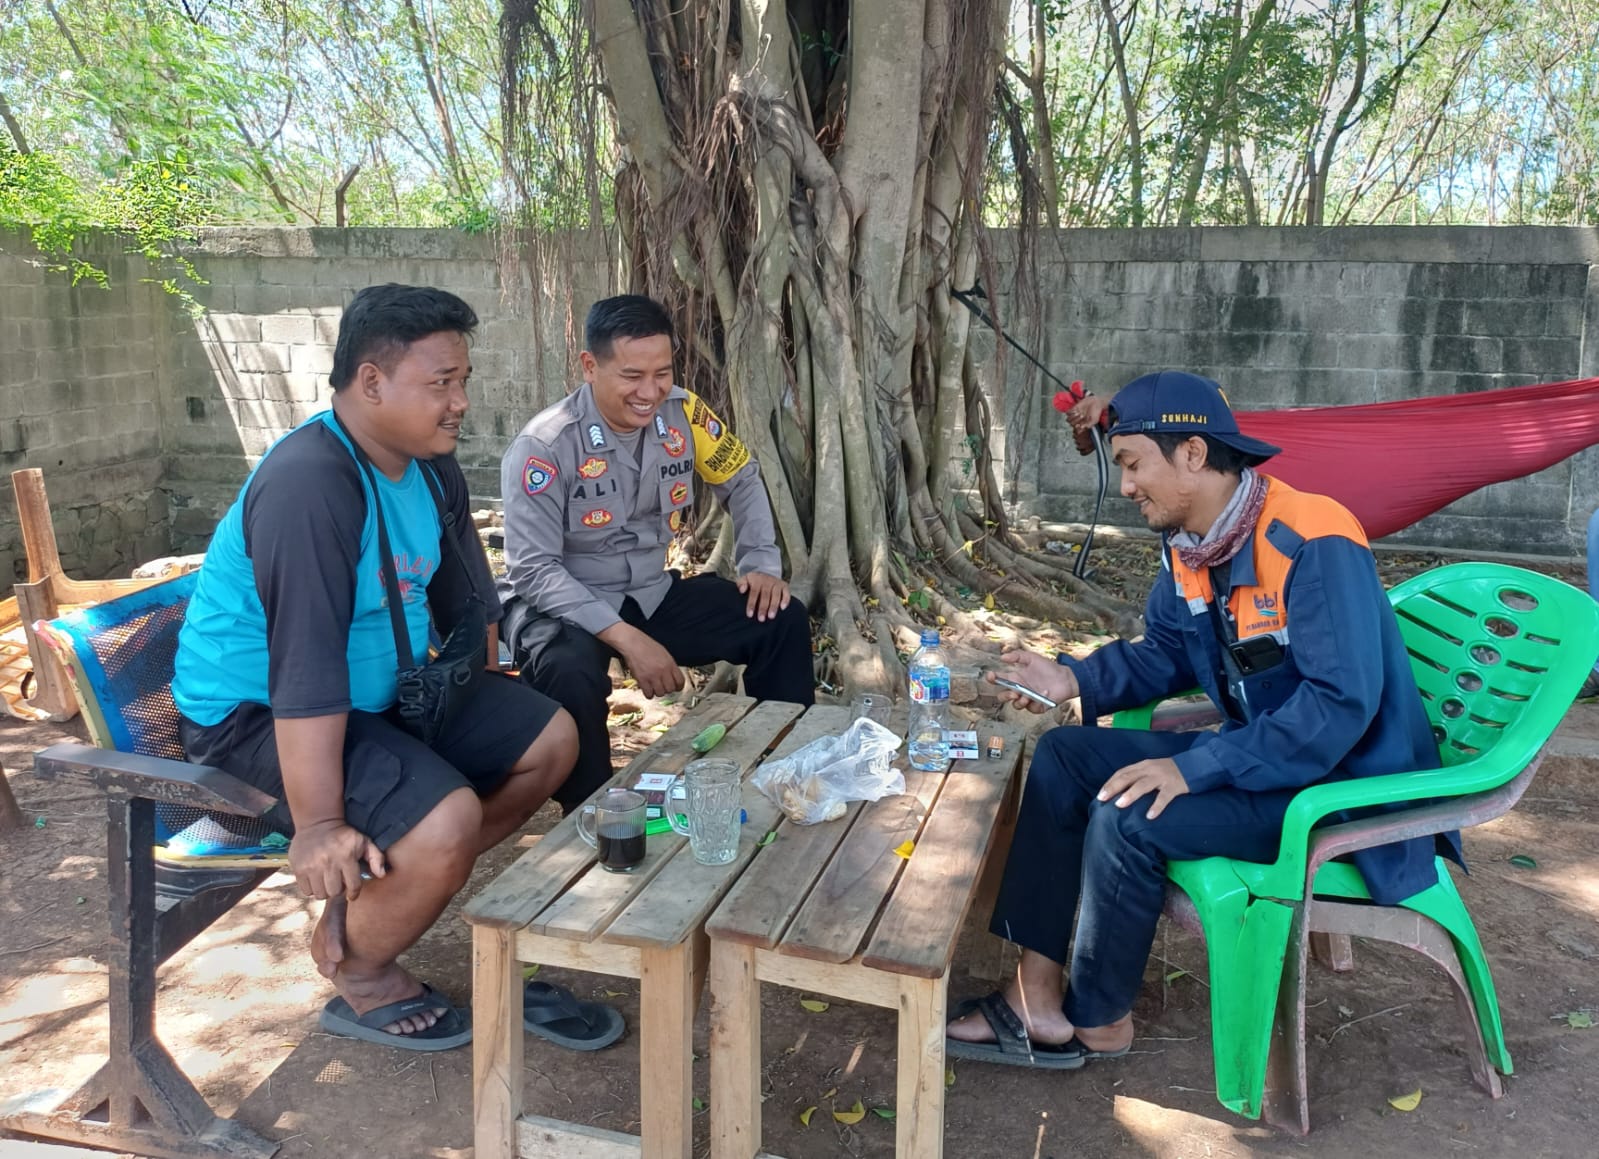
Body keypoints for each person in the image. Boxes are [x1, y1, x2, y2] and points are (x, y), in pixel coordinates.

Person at [947, 369, 1455, 1069]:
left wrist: (1197, 766)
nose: (1126, 486)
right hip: (1261, 760)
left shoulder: (1313, 537)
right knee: (1065, 754)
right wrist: (1072, 677)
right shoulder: (1193, 544)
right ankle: (1035, 991)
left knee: (1130, 812)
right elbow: (1166, 651)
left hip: (1338, 785)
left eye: (1133, 464)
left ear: (1191, 452)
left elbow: (1337, 705)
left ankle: (1099, 1018)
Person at [173, 284, 622, 1053]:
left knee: (550, 738)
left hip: (379, 699)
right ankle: (363, 970)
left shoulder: (429, 467)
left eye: (463, 380)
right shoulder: (310, 483)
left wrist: (480, 694)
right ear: (371, 382)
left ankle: (384, 887)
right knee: (445, 819)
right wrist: (320, 827)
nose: (460, 402)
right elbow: (304, 667)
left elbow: (468, 606)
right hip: (255, 719)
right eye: (441, 383)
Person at [498, 294, 814, 806]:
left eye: (662, 373)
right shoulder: (547, 445)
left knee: (779, 617)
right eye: (632, 376)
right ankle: (595, 815)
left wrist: (760, 561)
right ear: (589, 366)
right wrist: (631, 641)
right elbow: (534, 571)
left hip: (648, 592)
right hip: (562, 606)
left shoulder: (684, 414)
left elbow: (742, 478)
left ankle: (784, 771)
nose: (650, 392)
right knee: (568, 669)